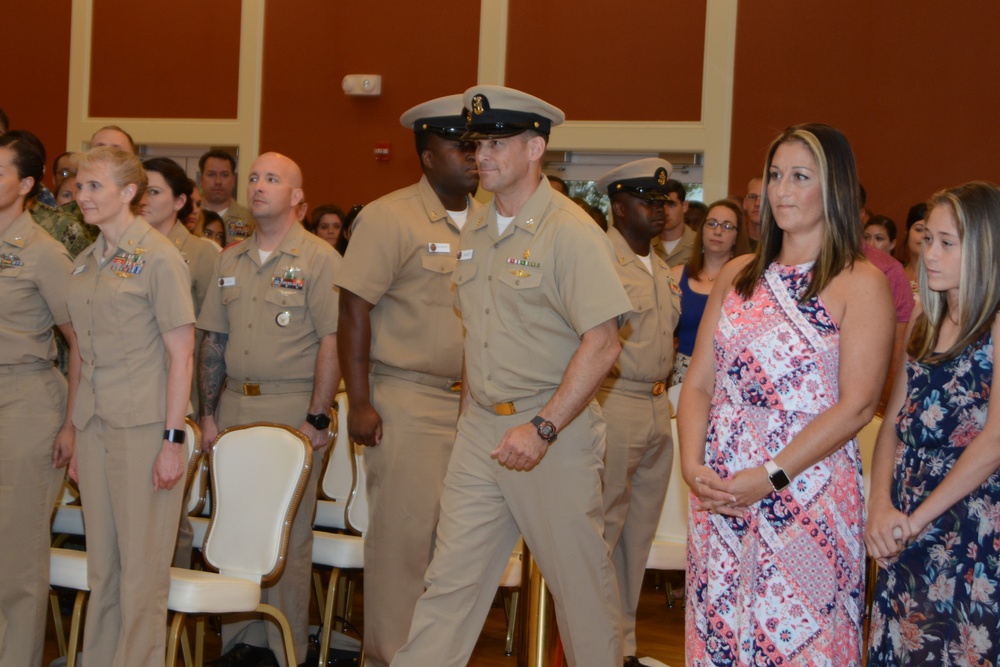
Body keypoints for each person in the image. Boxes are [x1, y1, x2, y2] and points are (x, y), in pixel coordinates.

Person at [392, 85, 631, 667]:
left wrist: (543, 429)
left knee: (580, 588)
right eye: (478, 143)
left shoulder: (570, 231)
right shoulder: (476, 228)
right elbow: (479, 335)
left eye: (498, 142)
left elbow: (603, 344)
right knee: (449, 582)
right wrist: (468, 420)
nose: (483, 155)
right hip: (481, 432)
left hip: (552, 433)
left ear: (535, 148)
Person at [680, 123, 895, 666]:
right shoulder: (736, 274)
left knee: (802, 645)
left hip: (807, 489)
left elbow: (858, 406)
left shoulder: (859, 281)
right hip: (723, 488)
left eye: (800, 176)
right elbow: (700, 383)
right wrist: (691, 464)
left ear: (835, 189)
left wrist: (770, 474)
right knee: (722, 639)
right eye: (776, 175)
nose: (780, 191)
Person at [335, 94, 479, 667]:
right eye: (459, 146)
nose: (473, 157)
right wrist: (361, 402)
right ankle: (388, 658)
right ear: (426, 156)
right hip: (408, 402)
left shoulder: (494, 220)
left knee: (460, 552)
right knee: (403, 548)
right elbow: (353, 309)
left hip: (474, 407)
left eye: (477, 146)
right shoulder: (390, 216)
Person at [198, 152, 341, 667]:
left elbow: (333, 340)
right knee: (233, 526)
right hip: (235, 404)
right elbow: (213, 340)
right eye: (254, 177)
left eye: (273, 179)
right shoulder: (228, 259)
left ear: (297, 197)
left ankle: (285, 652)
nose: (259, 186)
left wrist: (318, 416)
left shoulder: (321, 259)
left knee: (287, 536)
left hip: (291, 406)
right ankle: (240, 646)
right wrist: (209, 414)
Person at [67, 146, 195, 666]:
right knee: (104, 571)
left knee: (142, 574)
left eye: (95, 186)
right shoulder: (85, 261)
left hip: (145, 429)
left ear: (128, 193)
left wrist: (172, 440)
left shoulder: (160, 255)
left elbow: (182, 354)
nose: (82, 194)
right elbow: (82, 355)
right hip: (96, 426)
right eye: (79, 185)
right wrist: (76, 433)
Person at [866, 181, 1000, 667]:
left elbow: (995, 441)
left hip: (968, 527)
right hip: (905, 521)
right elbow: (892, 426)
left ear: (985, 249)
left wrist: (915, 520)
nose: (931, 255)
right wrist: (879, 505)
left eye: (948, 243)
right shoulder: (924, 319)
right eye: (928, 240)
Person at [594, 158, 681, 667]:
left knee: (637, 538)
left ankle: (622, 648)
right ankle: (593, 648)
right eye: (648, 201)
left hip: (656, 405)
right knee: (601, 534)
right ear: (619, 206)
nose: (659, 210)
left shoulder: (661, 265)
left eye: (663, 201)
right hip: (614, 400)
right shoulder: (601, 259)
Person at [0, 131, 79, 667]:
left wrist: (71, 424)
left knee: (15, 554)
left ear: (27, 184)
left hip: (25, 399)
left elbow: (82, 345)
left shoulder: (44, 253)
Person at [669, 198, 751, 386]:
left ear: (737, 236)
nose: (718, 231)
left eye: (727, 226)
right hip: (680, 374)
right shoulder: (675, 275)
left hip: (727, 374)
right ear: (702, 229)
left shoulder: (747, 282)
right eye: (711, 223)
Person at [199, 149, 255, 243]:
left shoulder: (250, 219)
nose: (218, 182)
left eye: (224, 175)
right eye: (211, 175)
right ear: (201, 180)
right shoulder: (189, 216)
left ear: (233, 180)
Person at [652, 178, 695, 267]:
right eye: (660, 204)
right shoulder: (645, 244)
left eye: (671, 205)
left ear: (684, 206)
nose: (665, 212)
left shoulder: (699, 243)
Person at [897, 202, 928, 295]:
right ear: (907, 233)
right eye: (919, 229)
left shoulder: (943, 277)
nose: (924, 236)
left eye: (929, 231)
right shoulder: (894, 274)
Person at [743, 176, 763, 246]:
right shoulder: (733, 241)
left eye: (764, 198)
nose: (757, 203)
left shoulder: (784, 245)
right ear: (745, 203)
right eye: (752, 197)